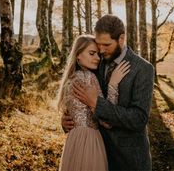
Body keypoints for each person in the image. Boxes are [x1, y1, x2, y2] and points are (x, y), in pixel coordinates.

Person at [62, 14, 155, 171]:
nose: (101, 50)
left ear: (121, 39)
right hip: (95, 153)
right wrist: (68, 121)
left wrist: (97, 104)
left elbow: (139, 118)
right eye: (99, 45)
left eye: (106, 44)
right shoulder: (96, 62)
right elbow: (79, 102)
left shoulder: (143, 69)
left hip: (129, 160)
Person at [57, 34, 130, 171]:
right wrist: (113, 84)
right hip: (89, 140)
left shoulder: (70, 80)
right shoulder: (89, 77)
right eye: (92, 53)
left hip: (73, 141)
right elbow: (106, 121)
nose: (97, 58)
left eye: (98, 55)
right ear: (78, 55)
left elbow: (71, 115)